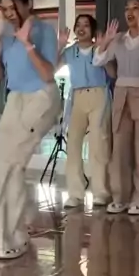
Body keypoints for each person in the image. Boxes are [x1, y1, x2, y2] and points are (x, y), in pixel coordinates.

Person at [0, 0, 60, 261]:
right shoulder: (6, 33)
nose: (8, 13)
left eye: (12, 7)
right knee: (0, 163)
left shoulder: (44, 30)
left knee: (11, 163)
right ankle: (15, 234)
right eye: (4, 8)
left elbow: (48, 74)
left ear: (28, 4)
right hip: (15, 98)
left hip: (41, 98)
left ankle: (11, 239)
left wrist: (28, 44)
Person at [93, 0, 139, 215]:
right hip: (122, 93)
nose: (129, 12)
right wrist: (106, 41)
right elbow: (97, 61)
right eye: (127, 9)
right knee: (119, 148)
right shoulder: (119, 39)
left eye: (135, 8)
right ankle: (120, 197)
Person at [58, 14, 111, 209]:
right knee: (72, 145)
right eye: (78, 25)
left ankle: (100, 191)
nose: (81, 28)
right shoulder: (70, 52)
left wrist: (104, 50)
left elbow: (113, 72)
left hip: (99, 95)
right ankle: (75, 193)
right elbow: (51, 69)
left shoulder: (99, 49)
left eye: (86, 25)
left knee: (98, 145)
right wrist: (59, 45)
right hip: (77, 97)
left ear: (93, 30)